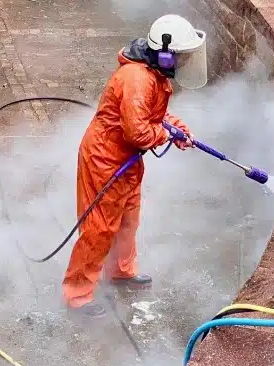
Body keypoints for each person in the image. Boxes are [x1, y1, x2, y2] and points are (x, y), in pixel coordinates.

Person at [62, 14, 208, 318]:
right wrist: (167, 133)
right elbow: (138, 132)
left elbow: (150, 118)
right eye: (180, 56)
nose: (182, 62)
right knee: (99, 228)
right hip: (105, 158)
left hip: (126, 160)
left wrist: (176, 127)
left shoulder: (153, 74)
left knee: (128, 219)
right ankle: (77, 295)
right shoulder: (137, 80)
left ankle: (121, 272)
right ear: (165, 54)